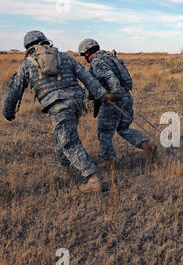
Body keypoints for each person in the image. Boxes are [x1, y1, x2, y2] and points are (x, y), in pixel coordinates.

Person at [2, 31, 120, 193]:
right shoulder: (64, 56)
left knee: (69, 142)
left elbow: (14, 90)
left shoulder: (27, 64)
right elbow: (86, 77)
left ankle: (92, 178)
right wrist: (102, 94)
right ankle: (64, 170)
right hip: (77, 102)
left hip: (58, 105)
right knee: (62, 136)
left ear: (28, 47)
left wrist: (8, 111)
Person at [78, 39, 157, 169]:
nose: (84, 58)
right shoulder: (111, 58)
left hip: (114, 99)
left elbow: (110, 78)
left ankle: (109, 162)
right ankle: (147, 145)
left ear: (87, 52)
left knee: (104, 132)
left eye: (83, 55)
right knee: (123, 128)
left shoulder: (97, 62)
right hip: (126, 96)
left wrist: (114, 94)